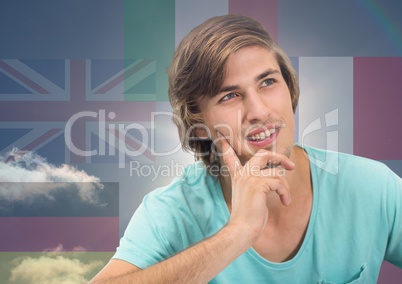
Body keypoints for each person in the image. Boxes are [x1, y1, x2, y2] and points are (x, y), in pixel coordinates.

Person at [91, 14, 402, 283]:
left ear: (289, 86)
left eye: (267, 82)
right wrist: (237, 233)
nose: (259, 111)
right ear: (199, 125)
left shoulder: (373, 187)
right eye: (229, 96)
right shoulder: (171, 213)